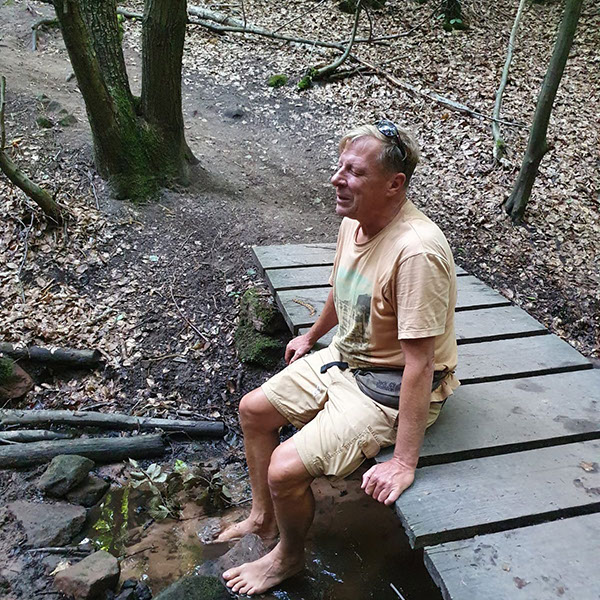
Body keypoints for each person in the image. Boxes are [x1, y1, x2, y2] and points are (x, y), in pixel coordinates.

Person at [220, 120, 460, 595]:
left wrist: (403, 462)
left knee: (284, 469)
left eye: (354, 172)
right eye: (340, 167)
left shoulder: (416, 253)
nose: (337, 179)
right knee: (253, 411)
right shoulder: (355, 220)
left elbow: (421, 363)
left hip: (389, 384)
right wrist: (311, 336)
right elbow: (343, 288)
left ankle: (288, 558)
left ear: (394, 184)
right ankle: (263, 519)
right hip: (345, 356)